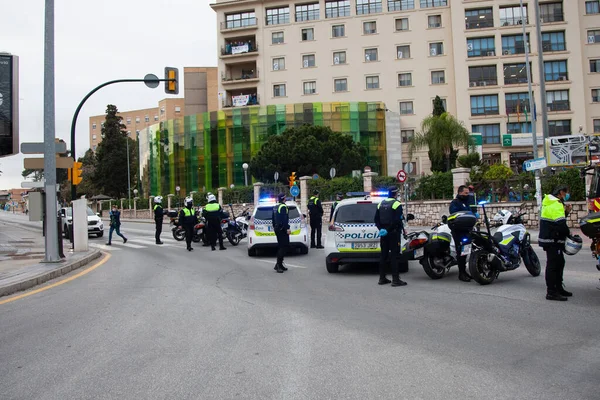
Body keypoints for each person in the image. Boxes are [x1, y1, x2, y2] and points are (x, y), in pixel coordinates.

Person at [539, 186, 572, 301]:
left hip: (550, 238)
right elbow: (561, 224)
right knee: (553, 265)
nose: (567, 195)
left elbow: (556, 220)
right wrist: (569, 234)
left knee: (560, 262)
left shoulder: (550, 202)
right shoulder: (556, 204)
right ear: (561, 192)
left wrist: (566, 212)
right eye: (566, 193)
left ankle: (558, 288)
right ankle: (551, 292)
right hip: (553, 239)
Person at [374, 187, 407, 287]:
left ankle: (382, 278)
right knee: (394, 256)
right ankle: (395, 280)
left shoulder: (381, 203)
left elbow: (376, 219)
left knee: (383, 256)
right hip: (393, 234)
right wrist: (389, 230)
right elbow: (397, 221)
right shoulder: (397, 204)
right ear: (395, 193)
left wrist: (381, 230)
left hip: (383, 235)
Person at [449, 185, 474, 282]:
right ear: (460, 193)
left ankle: (465, 272)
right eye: (466, 193)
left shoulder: (466, 203)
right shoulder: (455, 203)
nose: (467, 195)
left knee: (466, 251)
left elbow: (470, 214)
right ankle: (461, 273)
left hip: (467, 230)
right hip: (458, 231)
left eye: (468, 193)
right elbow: (454, 215)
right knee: (461, 252)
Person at [273, 193, 290, 273]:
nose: (286, 199)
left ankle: (279, 264)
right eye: (285, 197)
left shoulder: (276, 206)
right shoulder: (283, 207)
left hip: (277, 229)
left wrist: (275, 227)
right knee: (284, 246)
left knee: (281, 246)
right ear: (283, 198)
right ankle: (278, 265)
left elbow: (273, 218)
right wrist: (287, 228)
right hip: (282, 229)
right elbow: (284, 219)